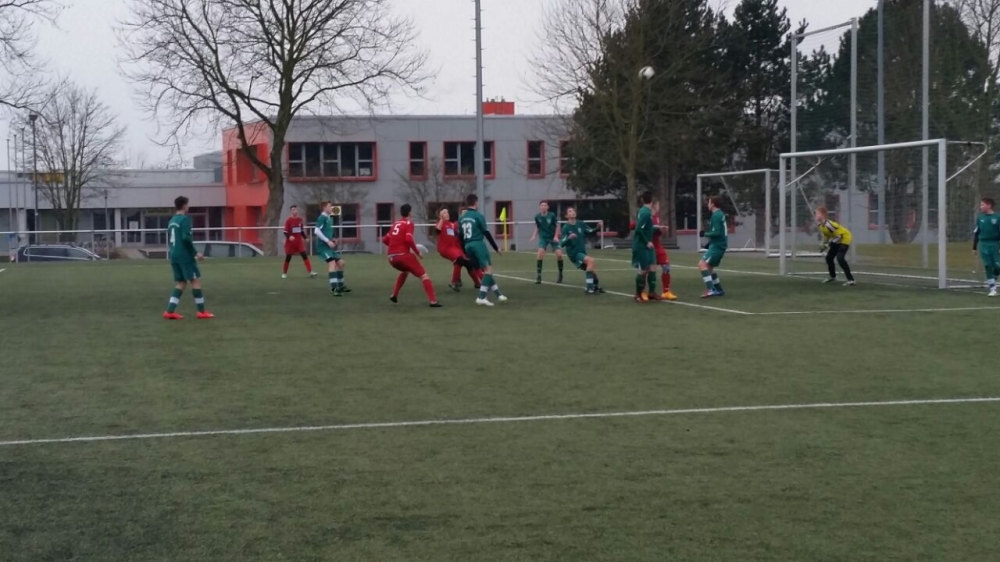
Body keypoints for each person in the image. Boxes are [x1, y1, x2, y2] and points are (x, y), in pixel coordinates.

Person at [163, 196, 213, 320]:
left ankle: (169, 311)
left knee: (181, 282)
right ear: (184, 205)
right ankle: (201, 312)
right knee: (194, 280)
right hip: (184, 255)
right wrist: (196, 253)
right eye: (187, 204)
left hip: (174, 254)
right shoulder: (184, 219)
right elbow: (186, 238)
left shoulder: (172, 220)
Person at [382, 204, 442, 307]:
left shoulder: (395, 224)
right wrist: (418, 253)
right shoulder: (409, 223)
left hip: (391, 257)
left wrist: (394, 247)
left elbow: (385, 239)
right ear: (410, 213)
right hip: (403, 255)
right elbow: (408, 239)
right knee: (424, 276)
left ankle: (394, 295)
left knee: (405, 271)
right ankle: (433, 301)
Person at [459, 193, 507, 306]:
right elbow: (486, 233)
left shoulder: (462, 218)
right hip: (478, 244)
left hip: (467, 246)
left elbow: (460, 237)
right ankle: (481, 297)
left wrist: (464, 251)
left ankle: (498, 294)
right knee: (488, 270)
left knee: (486, 271)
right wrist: (496, 248)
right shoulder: (478, 216)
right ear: (476, 203)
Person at [631, 200, 677, 301]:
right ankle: (641, 292)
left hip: (656, 246)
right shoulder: (645, 214)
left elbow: (653, 231)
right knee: (645, 269)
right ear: (654, 205)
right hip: (646, 246)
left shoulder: (656, 217)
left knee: (666, 266)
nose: (659, 207)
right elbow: (635, 226)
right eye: (658, 205)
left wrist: (660, 230)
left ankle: (665, 291)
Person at [435, 207, 482, 291]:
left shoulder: (452, 224)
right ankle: (454, 282)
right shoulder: (440, 223)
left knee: (468, 263)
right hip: (446, 248)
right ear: (440, 215)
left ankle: (477, 283)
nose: (447, 214)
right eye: (444, 213)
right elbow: (437, 230)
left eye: (447, 212)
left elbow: (458, 234)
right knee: (459, 260)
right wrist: (441, 219)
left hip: (456, 248)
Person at [560, 206, 604, 294]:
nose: (573, 212)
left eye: (573, 210)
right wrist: (569, 238)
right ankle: (589, 288)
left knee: (593, 274)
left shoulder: (580, 223)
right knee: (591, 260)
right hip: (574, 253)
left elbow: (590, 231)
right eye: (570, 211)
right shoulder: (566, 227)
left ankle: (594, 287)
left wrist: (597, 227)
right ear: (566, 215)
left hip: (582, 252)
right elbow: (562, 243)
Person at [314, 202, 350, 296]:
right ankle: (333, 289)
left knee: (341, 263)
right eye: (329, 206)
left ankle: (340, 286)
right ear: (324, 208)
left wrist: (332, 239)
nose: (331, 208)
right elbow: (316, 231)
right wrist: (327, 241)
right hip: (323, 247)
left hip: (328, 247)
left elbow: (326, 231)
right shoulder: (322, 217)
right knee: (332, 263)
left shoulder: (329, 218)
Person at [632, 191, 661, 302]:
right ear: (652, 200)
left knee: (653, 267)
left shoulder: (646, 211)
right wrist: (646, 242)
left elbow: (646, 228)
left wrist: (657, 228)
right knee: (643, 270)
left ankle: (652, 292)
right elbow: (638, 229)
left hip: (649, 246)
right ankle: (638, 294)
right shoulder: (645, 213)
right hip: (642, 246)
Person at [816, 207, 856, 286]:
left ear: (823, 215)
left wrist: (828, 244)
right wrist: (824, 245)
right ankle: (833, 277)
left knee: (840, 258)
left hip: (844, 238)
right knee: (829, 258)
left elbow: (840, 236)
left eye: (818, 213)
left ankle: (851, 280)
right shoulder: (820, 226)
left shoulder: (829, 225)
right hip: (837, 239)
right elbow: (827, 236)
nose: (816, 215)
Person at [698, 196, 728, 298]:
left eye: (709, 202)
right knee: (709, 268)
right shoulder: (719, 214)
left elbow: (716, 232)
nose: (708, 204)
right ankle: (719, 289)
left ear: (713, 204)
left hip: (717, 246)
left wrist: (705, 234)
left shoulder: (716, 215)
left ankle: (711, 289)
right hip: (719, 245)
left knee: (702, 264)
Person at [530, 201, 564, 284]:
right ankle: (539, 276)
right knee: (540, 253)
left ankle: (560, 274)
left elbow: (556, 226)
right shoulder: (537, 216)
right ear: (540, 207)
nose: (543, 207)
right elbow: (538, 226)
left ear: (548, 207)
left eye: (545, 205)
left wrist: (556, 236)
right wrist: (534, 235)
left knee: (559, 255)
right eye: (542, 205)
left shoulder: (552, 215)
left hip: (552, 237)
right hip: (544, 238)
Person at [973, 197, 1000, 297]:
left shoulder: (998, 217)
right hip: (983, 244)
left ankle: (994, 277)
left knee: (997, 266)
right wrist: (974, 247)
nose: (980, 207)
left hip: (995, 244)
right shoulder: (980, 218)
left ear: (989, 205)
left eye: (982, 205)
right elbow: (977, 233)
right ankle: (992, 289)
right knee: (988, 265)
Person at [282, 205, 317, 279]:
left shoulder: (300, 220)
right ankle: (284, 272)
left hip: (299, 242)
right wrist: (289, 237)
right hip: (291, 243)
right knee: (288, 257)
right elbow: (285, 232)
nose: (295, 211)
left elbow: (301, 231)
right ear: (291, 211)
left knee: (304, 255)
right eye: (293, 210)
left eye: (296, 209)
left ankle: (310, 271)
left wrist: (305, 238)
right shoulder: (288, 221)